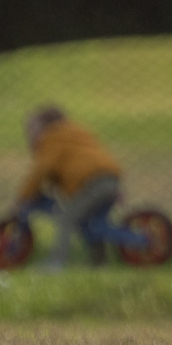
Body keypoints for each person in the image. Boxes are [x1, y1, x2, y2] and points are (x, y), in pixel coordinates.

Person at [13, 105, 124, 269]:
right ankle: (99, 263)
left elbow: (41, 170)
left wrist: (23, 197)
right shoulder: (74, 134)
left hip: (93, 183)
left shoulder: (53, 137)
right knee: (93, 222)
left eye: (32, 127)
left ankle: (56, 263)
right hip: (109, 180)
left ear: (47, 125)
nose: (29, 133)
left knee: (66, 217)